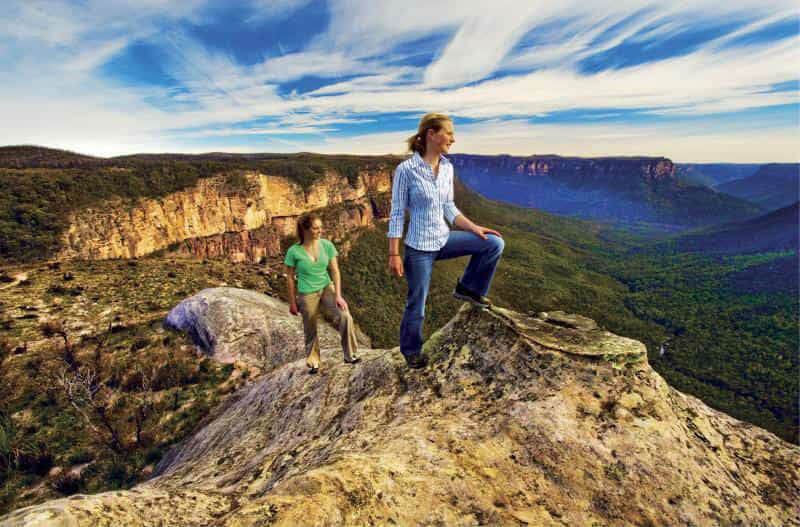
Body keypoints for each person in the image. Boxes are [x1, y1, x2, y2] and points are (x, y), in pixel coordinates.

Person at [388, 112, 505, 369]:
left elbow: (449, 207)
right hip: (419, 248)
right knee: (417, 303)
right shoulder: (406, 170)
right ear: (431, 134)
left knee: (494, 244)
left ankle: (469, 289)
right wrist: (394, 254)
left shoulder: (447, 167)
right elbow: (396, 213)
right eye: (449, 133)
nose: (453, 139)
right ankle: (411, 350)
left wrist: (475, 228)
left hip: (444, 239)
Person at [284, 214, 361, 374]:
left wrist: (338, 296)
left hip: (326, 287)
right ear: (305, 230)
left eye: (320, 227)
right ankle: (313, 361)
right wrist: (292, 302)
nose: (320, 231)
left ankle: (350, 354)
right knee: (310, 326)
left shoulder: (326, 245)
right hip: (307, 292)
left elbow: (335, 271)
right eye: (316, 228)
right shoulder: (293, 251)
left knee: (345, 316)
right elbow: (289, 278)